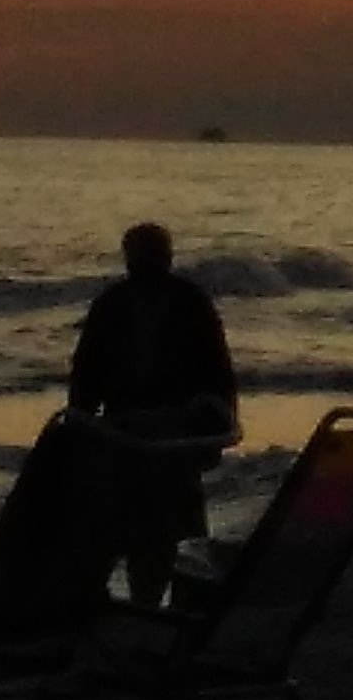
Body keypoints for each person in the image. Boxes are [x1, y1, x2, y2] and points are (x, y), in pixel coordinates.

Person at [66, 222, 237, 608]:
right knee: (125, 525)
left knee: (173, 531)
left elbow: (217, 371)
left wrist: (213, 432)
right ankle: (137, 604)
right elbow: (87, 372)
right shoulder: (114, 303)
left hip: (174, 436)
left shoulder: (189, 302)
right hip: (125, 433)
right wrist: (81, 426)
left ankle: (160, 605)